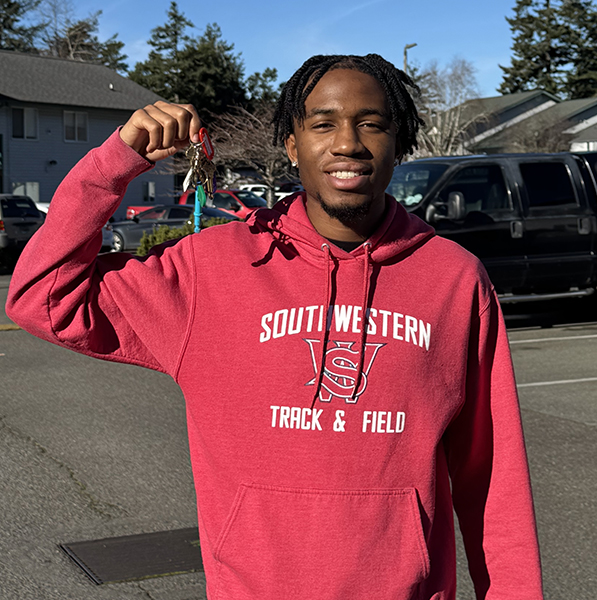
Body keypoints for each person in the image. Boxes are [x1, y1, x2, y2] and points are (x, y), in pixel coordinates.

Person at [6, 54, 544, 599]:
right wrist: (112, 165)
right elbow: (43, 300)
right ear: (292, 144)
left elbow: (492, 475)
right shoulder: (208, 271)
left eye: (372, 123)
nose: (348, 143)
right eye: (323, 123)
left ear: (399, 143)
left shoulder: (452, 280)